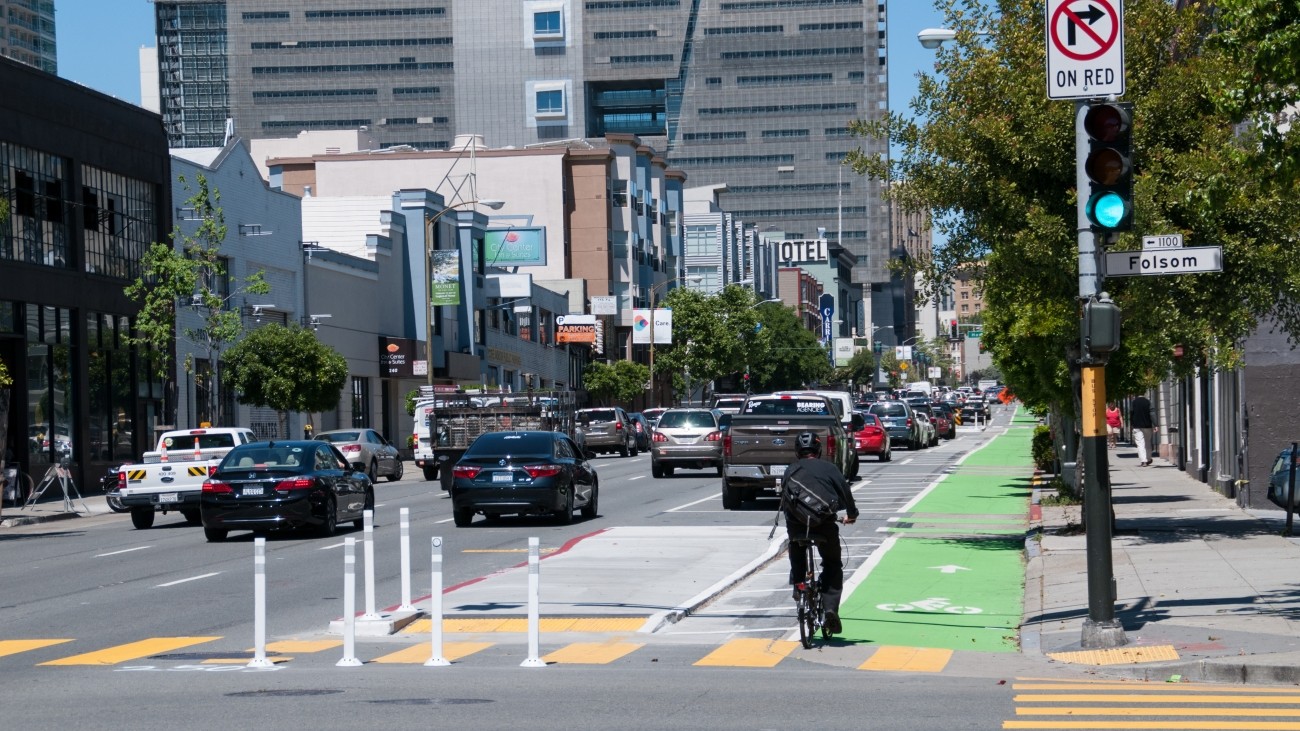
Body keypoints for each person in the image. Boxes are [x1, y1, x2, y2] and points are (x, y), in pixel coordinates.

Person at [783, 431, 858, 635]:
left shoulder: (791, 470)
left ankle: (799, 583)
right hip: (824, 525)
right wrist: (851, 514)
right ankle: (830, 608)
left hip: (798, 527)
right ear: (818, 450)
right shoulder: (829, 468)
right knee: (833, 564)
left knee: (795, 546)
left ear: (798, 451)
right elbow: (846, 492)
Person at [1129, 394, 1156, 466]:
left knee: (1140, 443)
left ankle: (1143, 460)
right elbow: (1152, 413)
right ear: (1144, 395)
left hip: (1137, 426)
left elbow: (1131, 413)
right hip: (1147, 426)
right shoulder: (1148, 402)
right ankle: (1148, 459)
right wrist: (1156, 424)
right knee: (1147, 442)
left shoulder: (1133, 402)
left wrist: (1131, 424)